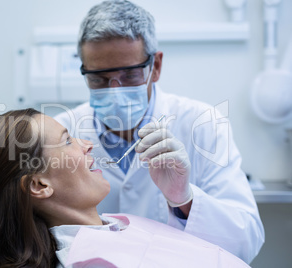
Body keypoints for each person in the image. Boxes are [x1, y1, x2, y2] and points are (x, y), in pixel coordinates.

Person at [54, 0, 264, 264]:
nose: (116, 90)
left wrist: (184, 199)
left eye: (130, 75)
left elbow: (247, 242)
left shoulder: (204, 124)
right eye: (99, 79)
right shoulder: (61, 133)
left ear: (156, 67)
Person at [0, 108, 250, 267]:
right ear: (39, 184)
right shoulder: (91, 261)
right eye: (68, 140)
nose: (88, 145)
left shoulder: (118, 225)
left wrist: (182, 199)